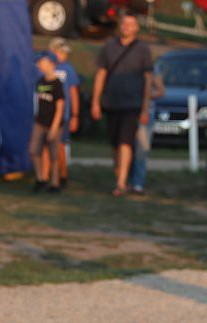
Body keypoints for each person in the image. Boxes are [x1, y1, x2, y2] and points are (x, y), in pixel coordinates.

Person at [91, 12, 153, 196]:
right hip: (111, 102)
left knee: (126, 142)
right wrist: (96, 101)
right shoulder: (109, 47)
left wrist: (145, 106)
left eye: (130, 24)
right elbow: (101, 75)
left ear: (136, 28)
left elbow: (148, 79)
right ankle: (120, 176)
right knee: (116, 145)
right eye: (124, 24)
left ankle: (121, 182)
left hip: (132, 104)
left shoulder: (143, 49)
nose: (126, 27)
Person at [43, 38, 81, 189]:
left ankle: (62, 174)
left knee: (59, 146)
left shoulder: (68, 69)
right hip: (45, 115)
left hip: (62, 115)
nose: (64, 56)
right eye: (61, 52)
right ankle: (45, 176)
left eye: (65, 53)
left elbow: (73, 93)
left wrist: (75, 115)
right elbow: (40, 88)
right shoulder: (44, 68)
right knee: (45, 146)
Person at [30, 52, 65, 193]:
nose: (39, 64)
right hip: (40, 122)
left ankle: (55, 182)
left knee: (54, 155)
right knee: (33, 150)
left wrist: (54, 127)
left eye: (42, 62)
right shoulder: (40, 82)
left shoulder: (57, 84)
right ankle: (40, 179)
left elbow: (60, 108)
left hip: (53, 124)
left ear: (51, 64)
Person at [128, 69, 165, 194]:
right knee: (127, 148)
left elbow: (161, 91)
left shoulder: (153, 71)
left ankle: (138, 183)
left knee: (141, 149)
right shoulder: (129, 67)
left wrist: (146, 95)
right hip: (128, 111)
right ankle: (127, 180)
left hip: (145, 113)